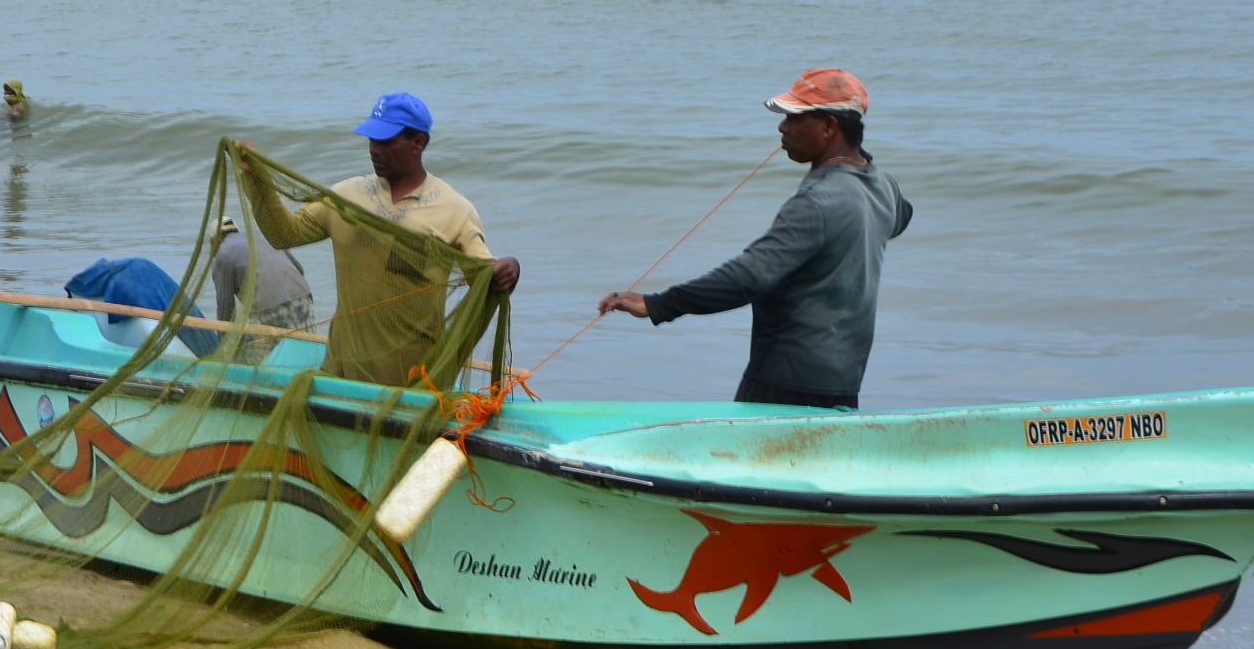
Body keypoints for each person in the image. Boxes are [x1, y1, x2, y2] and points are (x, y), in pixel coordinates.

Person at [596, 68, 912, 410]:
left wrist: (659, 304)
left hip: (786, 384)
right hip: (843, 382)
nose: (782, 127)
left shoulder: (816, 202)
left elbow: (747, 279)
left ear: (829, 127)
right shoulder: (882, 184)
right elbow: (900, 218)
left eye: (794, 118)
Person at [239, 92, 520, 387]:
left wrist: (509, 268)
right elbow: (284, 233)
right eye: (371, 139)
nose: (375, 149)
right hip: (340, 371)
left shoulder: (455, 210)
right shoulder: (345, 195)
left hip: (413, 380)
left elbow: (485, 278)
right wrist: (256, 179)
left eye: (386, 141)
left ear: (418, 143)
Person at [209, 216, 312, 364]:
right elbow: (300, 270)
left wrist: (225, 350)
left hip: (271, 311)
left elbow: (226, 312)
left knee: (246, 358)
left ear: (214, 241)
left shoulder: (222, 255)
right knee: (301, 359)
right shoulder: (263, 236)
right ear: (236, 231)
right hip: (305, 303)